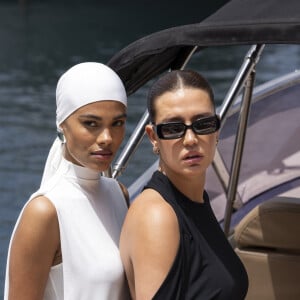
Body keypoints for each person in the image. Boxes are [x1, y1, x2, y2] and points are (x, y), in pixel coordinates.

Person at [4, 62, 131, 300]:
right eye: (91, 124)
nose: (107, 138)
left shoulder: (119, 194)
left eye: (117, 123)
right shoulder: (45, 212)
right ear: (62, 123)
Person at [120, 70, 249, 299]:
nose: (190, 139)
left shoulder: (195, 199)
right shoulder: (157, 216)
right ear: (153, 137)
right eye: (173, 129)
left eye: (203, 123)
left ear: (216, 129)